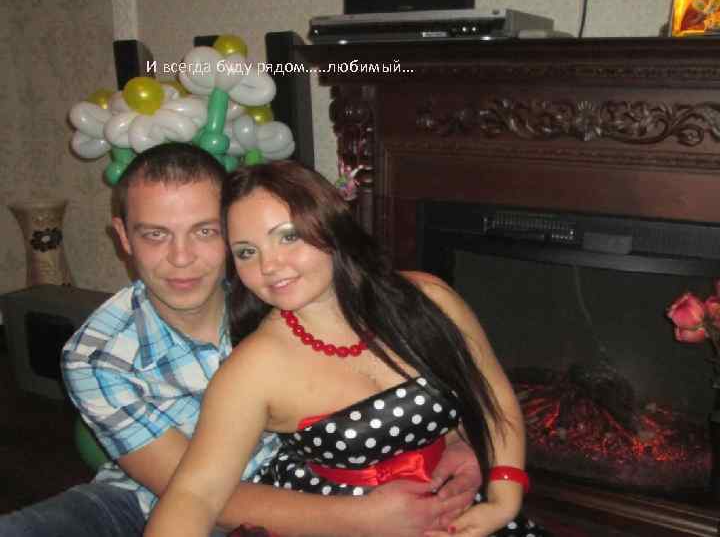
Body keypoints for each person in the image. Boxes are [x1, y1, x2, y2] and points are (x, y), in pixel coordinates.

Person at [0, 143, 481, 537]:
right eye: (155, 235)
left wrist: (455, 438)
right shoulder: (97, 355)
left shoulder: (283, 289)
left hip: (310, 491)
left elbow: (395, 367)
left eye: (205, 231)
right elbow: (199, 495)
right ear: (123, 237)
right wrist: (365, 519)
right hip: (146, 500)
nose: (182, 258)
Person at [145, 160, 550, 537]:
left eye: (288, 236)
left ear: (330, 227)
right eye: (247, 252)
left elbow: (492, 398)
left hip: (457, 512)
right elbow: (195, 495)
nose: (268, 265)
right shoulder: (254, 369)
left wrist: (503, 500)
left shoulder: (429, 299)